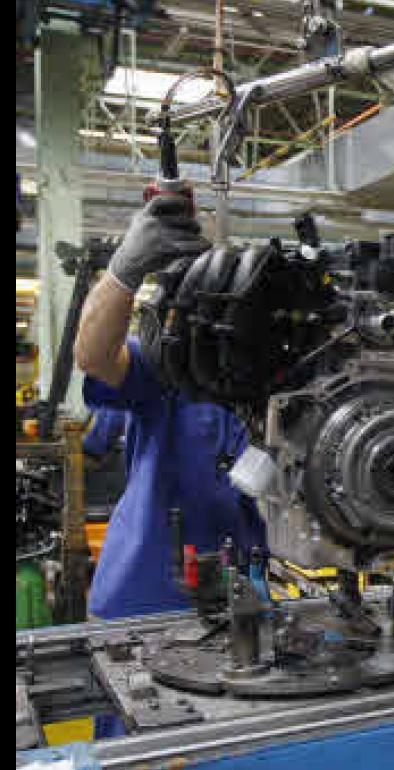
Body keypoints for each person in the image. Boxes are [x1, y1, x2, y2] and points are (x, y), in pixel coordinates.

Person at [73, 196, 266, 621]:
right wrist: (124, 271)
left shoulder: (266, 380)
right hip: (144, 598)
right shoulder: (163, 366)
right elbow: (93, 356)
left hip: (240, 596)